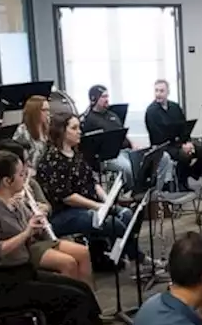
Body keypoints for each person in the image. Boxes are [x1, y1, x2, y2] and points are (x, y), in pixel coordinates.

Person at [0, 150, 101, 325]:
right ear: (7, 180)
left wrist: (30, 219)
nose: (25, 178)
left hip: (21, 272)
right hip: (0, 285)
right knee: (71, 300)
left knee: (81, 289)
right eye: (21, 174)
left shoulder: (11, 202)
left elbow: (25, 232)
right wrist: (26, 233)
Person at [37, 113, 142, 265]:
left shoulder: (77, 154)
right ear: (61, 131)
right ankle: (138, 259)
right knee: (114, 224)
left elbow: (92, 182)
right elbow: (67, 197)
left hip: (88, 206)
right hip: (64, 213)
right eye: (74, 128)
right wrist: (98, 206)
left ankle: (115, 256)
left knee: (126, 214)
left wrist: (107, 202)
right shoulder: (51, 160)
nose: (79, 131)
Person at [144, 79, 200, 188]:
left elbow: (183, 127)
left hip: (178, 143)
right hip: (163, 146)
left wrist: (187, 142)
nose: (158, 94)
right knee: (184, 155)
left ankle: (192, 174)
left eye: (161, 91)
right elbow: (158, 136)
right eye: (156, 91)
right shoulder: (151, 111)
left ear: (167, 92)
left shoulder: (175, 107)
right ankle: (182, 183)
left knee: (201, 150)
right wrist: (181, 145)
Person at [13, 95, 51, 171]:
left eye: (48, 110)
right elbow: (16, 155)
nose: (48, 113)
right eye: (44, 110)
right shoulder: (23, 130)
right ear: (34, 111)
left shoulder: (47, 128)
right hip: (30, 172)